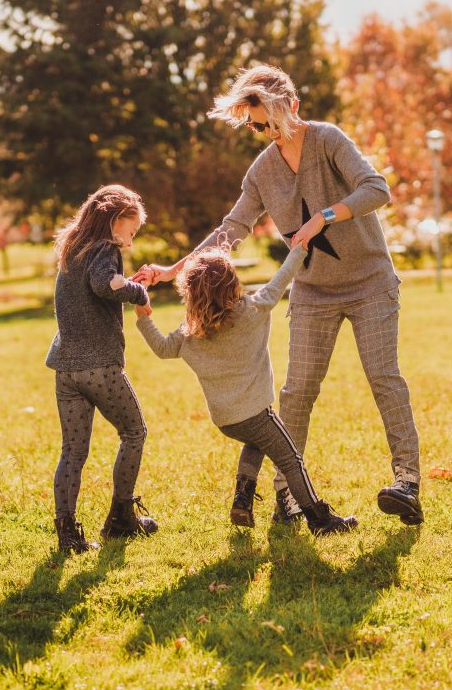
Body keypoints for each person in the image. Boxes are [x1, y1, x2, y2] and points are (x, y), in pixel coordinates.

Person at [136, 64, 423, 526]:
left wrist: (326, 215)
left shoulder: (328, 140)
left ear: (290, 107)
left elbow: (377, 189)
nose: (262, 133)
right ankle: (286, 498)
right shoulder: (263, 170)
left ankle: (407, 482)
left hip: (371, 283)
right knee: (296, 393)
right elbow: (232, 228)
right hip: (312, 294)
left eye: (265, 122)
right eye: (253, 125)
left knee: (384, 378)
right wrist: (176, 269)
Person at [134, 242, 358, 536]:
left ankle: (242, 499)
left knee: (257, 441)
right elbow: (282, 278)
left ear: (189, 293)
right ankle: (319, 519)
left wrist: (143, 315)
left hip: (227, 421)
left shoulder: (189, 332)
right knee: (291, 461)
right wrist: (300, 249)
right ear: (232, 284)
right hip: (257, 413)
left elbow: (162, 349)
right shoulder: (253, 310)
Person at [45, 185, 158, 554]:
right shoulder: (104, 249)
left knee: (73, 451)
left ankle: (67, 532)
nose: (132, 236)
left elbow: (102, 283)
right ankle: (121, 518)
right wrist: (138, 294)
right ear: (114, 220)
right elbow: (104, 284)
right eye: (132, 228)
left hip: (66, 369)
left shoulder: (74, 247)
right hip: (98, 367)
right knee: (135, 432)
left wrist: (128, 283)